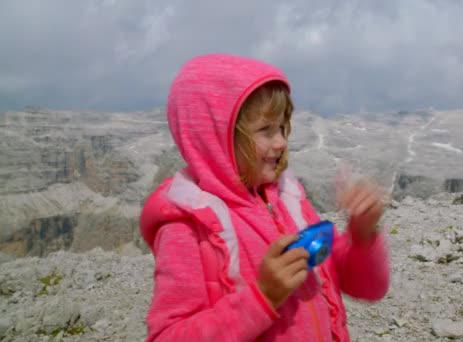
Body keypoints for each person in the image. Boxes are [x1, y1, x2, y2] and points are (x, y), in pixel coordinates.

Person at [139, 53, 390, 341]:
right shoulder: (188, 228)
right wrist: (263, 298)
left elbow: (367, 287)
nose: (282, 141)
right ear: (215, 138)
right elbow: (167, 335)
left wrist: (362, 235)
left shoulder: (288, 200)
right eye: (265, 130)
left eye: (282, 127)